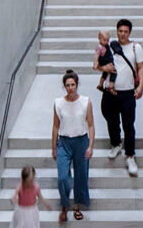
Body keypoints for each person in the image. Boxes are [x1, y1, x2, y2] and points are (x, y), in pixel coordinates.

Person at [102, 19, 143, 176]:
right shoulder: (109, 47)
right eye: (120, 31)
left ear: (129, 33)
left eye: (125, 31)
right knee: (110, 118)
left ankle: (130, 156)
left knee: (128, 124)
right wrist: (102, 67)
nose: (122, 34)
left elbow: (140, 68)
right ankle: (115, 144)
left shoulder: (135, 48)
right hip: (110, 92)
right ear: (117, 31)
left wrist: (140, 86)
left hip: (127, 92)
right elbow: (98, 64)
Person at [52, 70, 94, 221]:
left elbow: (91, 125)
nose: (70, 88)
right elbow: (55, 126)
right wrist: (54, 147)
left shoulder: (85, 102)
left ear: (77, 85)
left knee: (81, 176)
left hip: (81, 141)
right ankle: (64, 204)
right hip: (63, 142)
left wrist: (90, 146)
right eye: (68, 85)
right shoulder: (58, 103)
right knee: (63, 177)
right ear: (64, 87)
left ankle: (77, 206)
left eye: (73, 84)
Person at [93, 30, 117, 94]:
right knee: (114, 72)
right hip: (105, 60)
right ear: (99, 38)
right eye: (104, 40)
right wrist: (95, 63)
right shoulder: (99, 47)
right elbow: (96, 55)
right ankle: (111, 86)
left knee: (105, 73)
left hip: (107, 60)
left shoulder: (106, 46)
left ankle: (100, 84)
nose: (106, 42)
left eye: (107, 40)